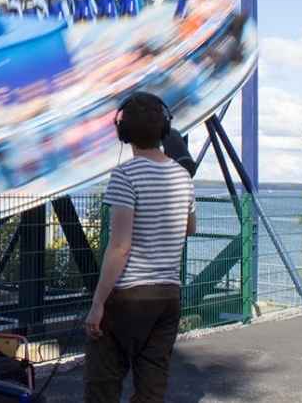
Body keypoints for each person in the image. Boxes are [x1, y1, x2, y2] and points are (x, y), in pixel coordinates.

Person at [84, 92, 197, 403]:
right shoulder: (182, 176)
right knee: (151, 388)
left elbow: (119, 247)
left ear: (124, 133)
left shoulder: (124, 175)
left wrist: (97, 303)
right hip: (167, 296)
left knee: (103, 384)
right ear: (164, 131)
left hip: (128, 296)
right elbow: (191, 228)